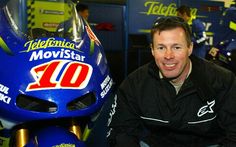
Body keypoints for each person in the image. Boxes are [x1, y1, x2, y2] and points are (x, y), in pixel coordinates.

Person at [106, 16, 236, 146]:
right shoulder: (134, 84)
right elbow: (121, 132)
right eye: (161, 48)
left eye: (176, 47)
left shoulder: (223, 81)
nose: (168, 56)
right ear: (152, 50)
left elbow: (233, 134)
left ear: (190, 48)